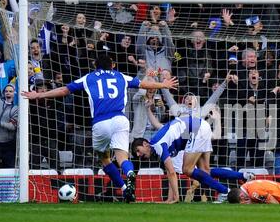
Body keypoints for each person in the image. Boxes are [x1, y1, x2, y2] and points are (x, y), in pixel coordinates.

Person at [22, 54, 178, 203]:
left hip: (101, 123)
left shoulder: (89, 77)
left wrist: (39, 95)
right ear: (112, 65)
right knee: (122, 157)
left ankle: (124, 188)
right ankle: (130, 174)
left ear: (95, 66)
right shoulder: (120, 76)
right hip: (120, 120)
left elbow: (64, 90)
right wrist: (163, 84)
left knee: (104, 159)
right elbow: (143, 84)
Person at [131, 114, 255, 204]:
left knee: (187, 169)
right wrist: (170, 199)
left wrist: (176, 198)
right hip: (200, 127)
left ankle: (225, 191)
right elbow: (170, 174)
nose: (138, 155)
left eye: (138, 150)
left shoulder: (157, 145)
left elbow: (172, 173)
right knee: (205, 171)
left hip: (195, 130)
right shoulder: (160, 146)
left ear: (146, 144)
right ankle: (243, 176)